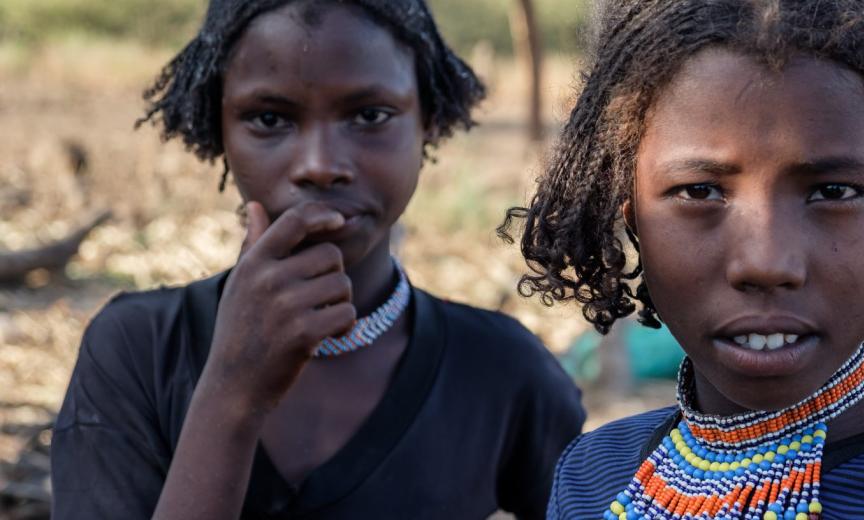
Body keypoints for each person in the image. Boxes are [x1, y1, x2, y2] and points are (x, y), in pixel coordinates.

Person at [502, 0, 864, 518]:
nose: (766, 262)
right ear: (630, 214)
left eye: (834, 192)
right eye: (699, 191)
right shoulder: (593, 476)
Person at [51, 1, 584, 518]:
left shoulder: (504, 373)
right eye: (268, 118)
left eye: (370, 115)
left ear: (428, 120)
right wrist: (233, 394)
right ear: (220, 129)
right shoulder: (135, 353)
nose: (320, 165)